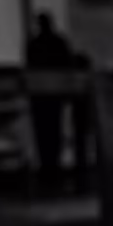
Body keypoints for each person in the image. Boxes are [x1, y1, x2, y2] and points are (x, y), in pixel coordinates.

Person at [26, 11, 75, 182]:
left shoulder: (36, 43)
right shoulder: (57, 42)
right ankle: (52, 167)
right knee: (52, 132)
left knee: (45, 133)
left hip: (43, 94)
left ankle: (49, 167)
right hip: (50, 94)